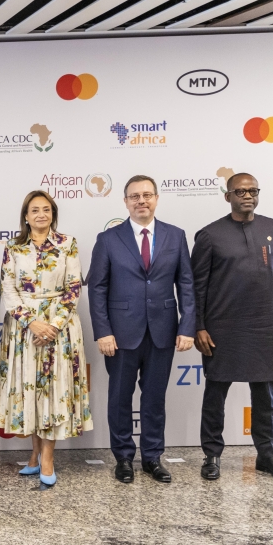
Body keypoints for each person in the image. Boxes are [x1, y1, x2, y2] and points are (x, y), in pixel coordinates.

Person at [192, 173, 273, 481]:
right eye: (240, 191)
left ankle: (267, 455)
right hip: (221, 327)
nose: (247, 195)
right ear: (228, 197)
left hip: (266, 325)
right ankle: (211, 455)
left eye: (253, 190)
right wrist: (198, 325)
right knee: (215, 394)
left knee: (266, 396)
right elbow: (196, 287)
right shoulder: (209, 235)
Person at [88, 175, 195, 484]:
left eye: (147, 195)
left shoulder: (176, 236)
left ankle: (152, 458)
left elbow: (186, 285)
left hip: (162, 331)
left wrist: (187, 326)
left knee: (154, 399)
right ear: (125, 202)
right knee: (120, 398)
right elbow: (97, 288)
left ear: (157, 199)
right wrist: (103, 331)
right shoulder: (108, 239)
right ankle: (123, 457)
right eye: (134, 196)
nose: (141, 200)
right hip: (120, 335)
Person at [0, 191, 91, 488]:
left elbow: (74, 288)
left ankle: (47, 459)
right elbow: (8, 289)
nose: (40, 214)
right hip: (24, 330)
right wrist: (32, 323)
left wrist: (52, 325)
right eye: (34, 210)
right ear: (25, 215)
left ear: (53, 214)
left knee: (51, 392)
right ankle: (34, 456)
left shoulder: (67, 244)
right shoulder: (13, 246)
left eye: (46, 210)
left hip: (59, 331)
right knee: (30, 392)